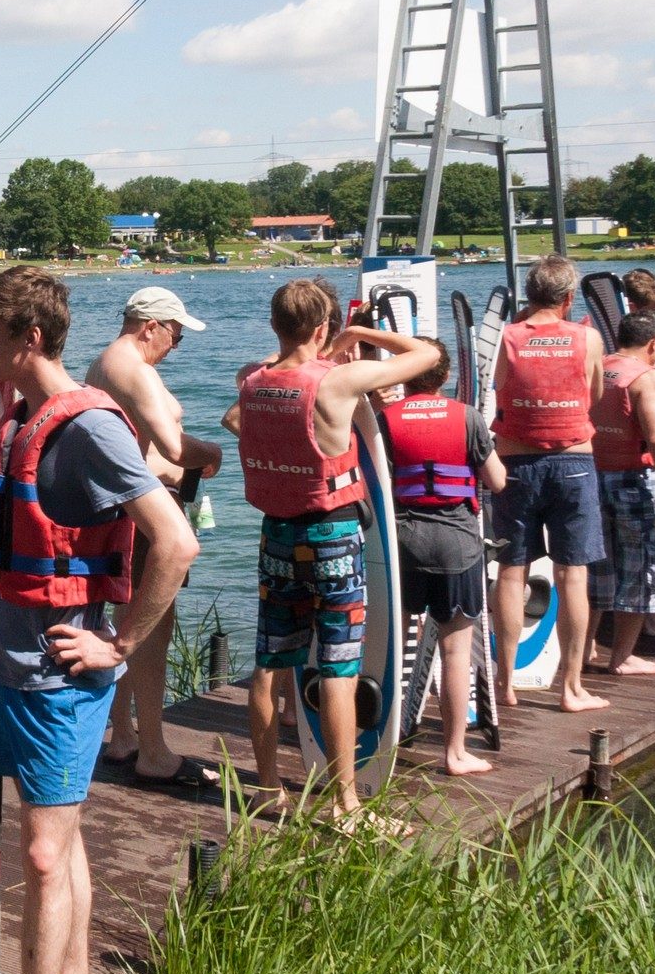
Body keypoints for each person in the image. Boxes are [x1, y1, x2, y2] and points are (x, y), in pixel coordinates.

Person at [0, 266, 197, 974]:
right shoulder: (19, 421)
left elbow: (176, 542)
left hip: (61, 676)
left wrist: (118, 642)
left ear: (29, 338)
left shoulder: (89, 428)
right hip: (14, 667)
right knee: (57, 846)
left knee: (41, 853)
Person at [227, 279, 439, 814]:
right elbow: (426, 355)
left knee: (270, 663)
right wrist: (356, 336)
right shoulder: (338, 382)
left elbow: (236, 419)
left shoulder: (251, 381)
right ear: (322, 328)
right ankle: (346, 804)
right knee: (339, 667)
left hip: (278, 537)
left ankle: (268, 789)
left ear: (274, 325)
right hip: (334, 536)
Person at [86, 286, 224, 787]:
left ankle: (124, 735)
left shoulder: (107, 363)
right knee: (151, 627)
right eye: (176, 336)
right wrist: (213, 454)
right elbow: (172, 447)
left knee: (130, 618)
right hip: (141, 515)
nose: (175, 346)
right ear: (151, 327)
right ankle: (154, 751)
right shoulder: (134, 370)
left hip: (124, 509)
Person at [375, 338, 506, 776]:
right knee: (455, 651)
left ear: (405, 376)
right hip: (457, 545)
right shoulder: (467, 417)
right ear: (445, 375)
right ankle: (454, 753)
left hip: (403, 542)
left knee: (390, 647)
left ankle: (379, 741)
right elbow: (497, 481)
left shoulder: (386, 419)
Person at [489, 255, 607, 714]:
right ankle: (571, 688)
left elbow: (498, 388)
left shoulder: (508, 336)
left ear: (528, 295)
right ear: (569, 298)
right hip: (573, 461)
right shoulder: (587, 338)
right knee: (572, 574)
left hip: (516, 462)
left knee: (512, 571)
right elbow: (594, 395)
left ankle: (505, 683)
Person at [586, 312, 655, 677]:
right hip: (634, 482)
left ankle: (585, 648)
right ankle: (622, 657)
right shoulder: (646, 378)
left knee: (596, 569)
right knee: (640, 567)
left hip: (593, 477)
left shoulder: (599, 368)